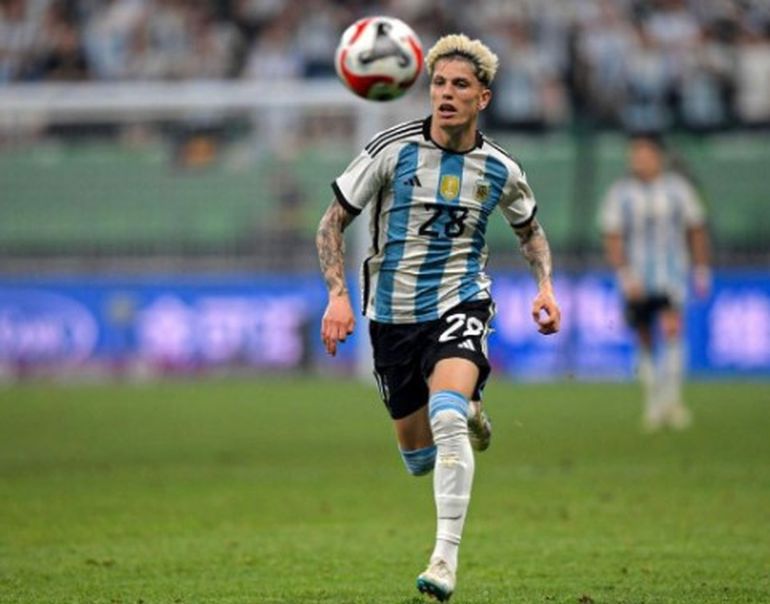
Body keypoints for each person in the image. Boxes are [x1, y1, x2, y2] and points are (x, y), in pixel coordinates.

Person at [316, 33, 561, 601]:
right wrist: (337, 294)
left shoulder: (500, 168)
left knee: (444, 413)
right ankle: (471, 409)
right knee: (419, 459)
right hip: (392, 317)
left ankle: (444, 560)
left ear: (483, 98)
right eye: (439, 84)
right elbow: (331, 222)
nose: (446, 94)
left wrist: (545, 286)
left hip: (460, 302)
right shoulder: (391, 149)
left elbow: (530, 231)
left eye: (460, 85)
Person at [598, 133, 711, 432]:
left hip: (672, 274)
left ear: (658, 157)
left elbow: (696, 229)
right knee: (645, 335)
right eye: (635, 155)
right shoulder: (621, 193)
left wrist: (701, 269)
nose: (639, 161)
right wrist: (624, 274)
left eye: (645, 155)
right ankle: (653, 402)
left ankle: (672, 401)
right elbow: (612, 236)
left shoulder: (679, 190)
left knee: (672, 329)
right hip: (637, 276)